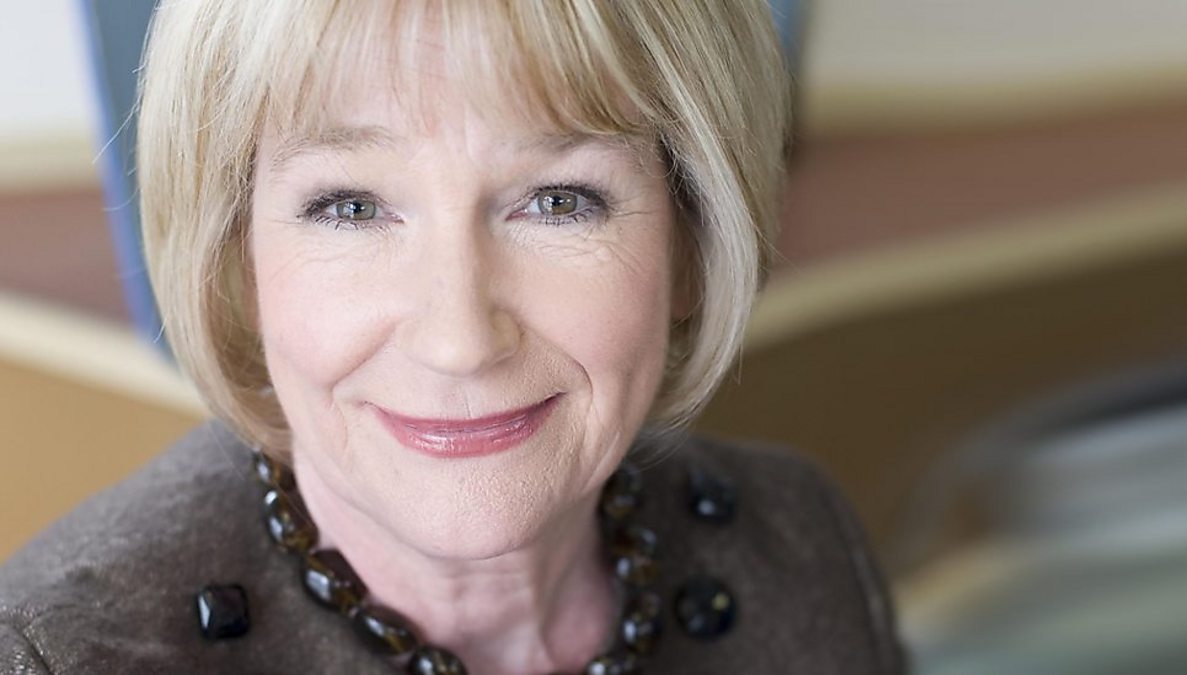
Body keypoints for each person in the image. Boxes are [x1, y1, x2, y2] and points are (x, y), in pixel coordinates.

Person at [0, 1, 903, 673]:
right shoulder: (59, 656)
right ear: (238, 263)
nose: (459, 339)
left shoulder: (800, 541)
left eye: (558, 201)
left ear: (693, 240)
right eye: (351, 207)